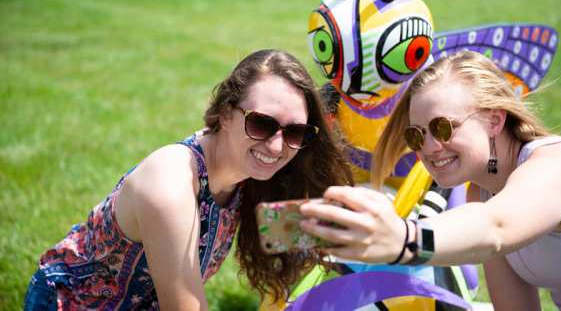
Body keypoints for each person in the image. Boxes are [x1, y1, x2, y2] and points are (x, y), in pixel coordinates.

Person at [24, 49, 353, 310]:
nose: (278, 145)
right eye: (262, 124)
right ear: (225, 112)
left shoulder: (250, 171)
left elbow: (301, 236)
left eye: (295, 131)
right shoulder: (171, 184)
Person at [300, 51, 561, 311]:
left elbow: (495, 227)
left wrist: (405, 239)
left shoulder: (557, 166)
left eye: (444, 127)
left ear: (494, 120)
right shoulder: (482, 196)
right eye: (416, 135)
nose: (429, 148)